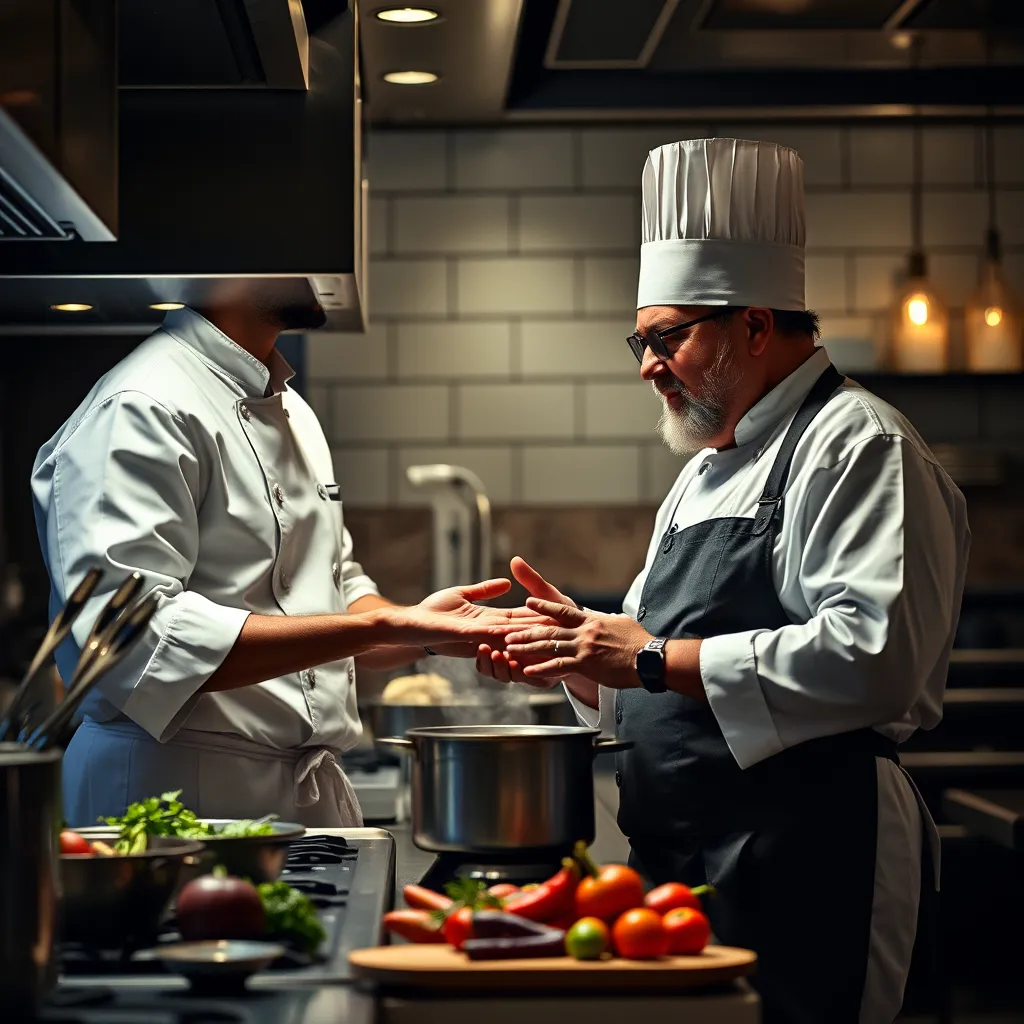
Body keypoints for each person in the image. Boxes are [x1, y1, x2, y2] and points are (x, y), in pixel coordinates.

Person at [477, 139, 970, 1023]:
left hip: (816, 862)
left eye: (668, 337)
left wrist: (650, 657)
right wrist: (575, 657)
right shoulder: (705, 471)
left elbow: (875, 660)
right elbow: (650, 669)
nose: (646, 364)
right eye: (641, 341)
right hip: (682, 870)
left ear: (755, 326)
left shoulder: (860, 446)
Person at [32, 281, 545, 828]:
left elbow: (336, 593)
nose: (323, 274)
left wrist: (425, 631)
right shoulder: (139, 406)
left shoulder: (293, 410)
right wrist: (386, 626)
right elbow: (134, 642)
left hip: (292, 796)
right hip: (172, 793)